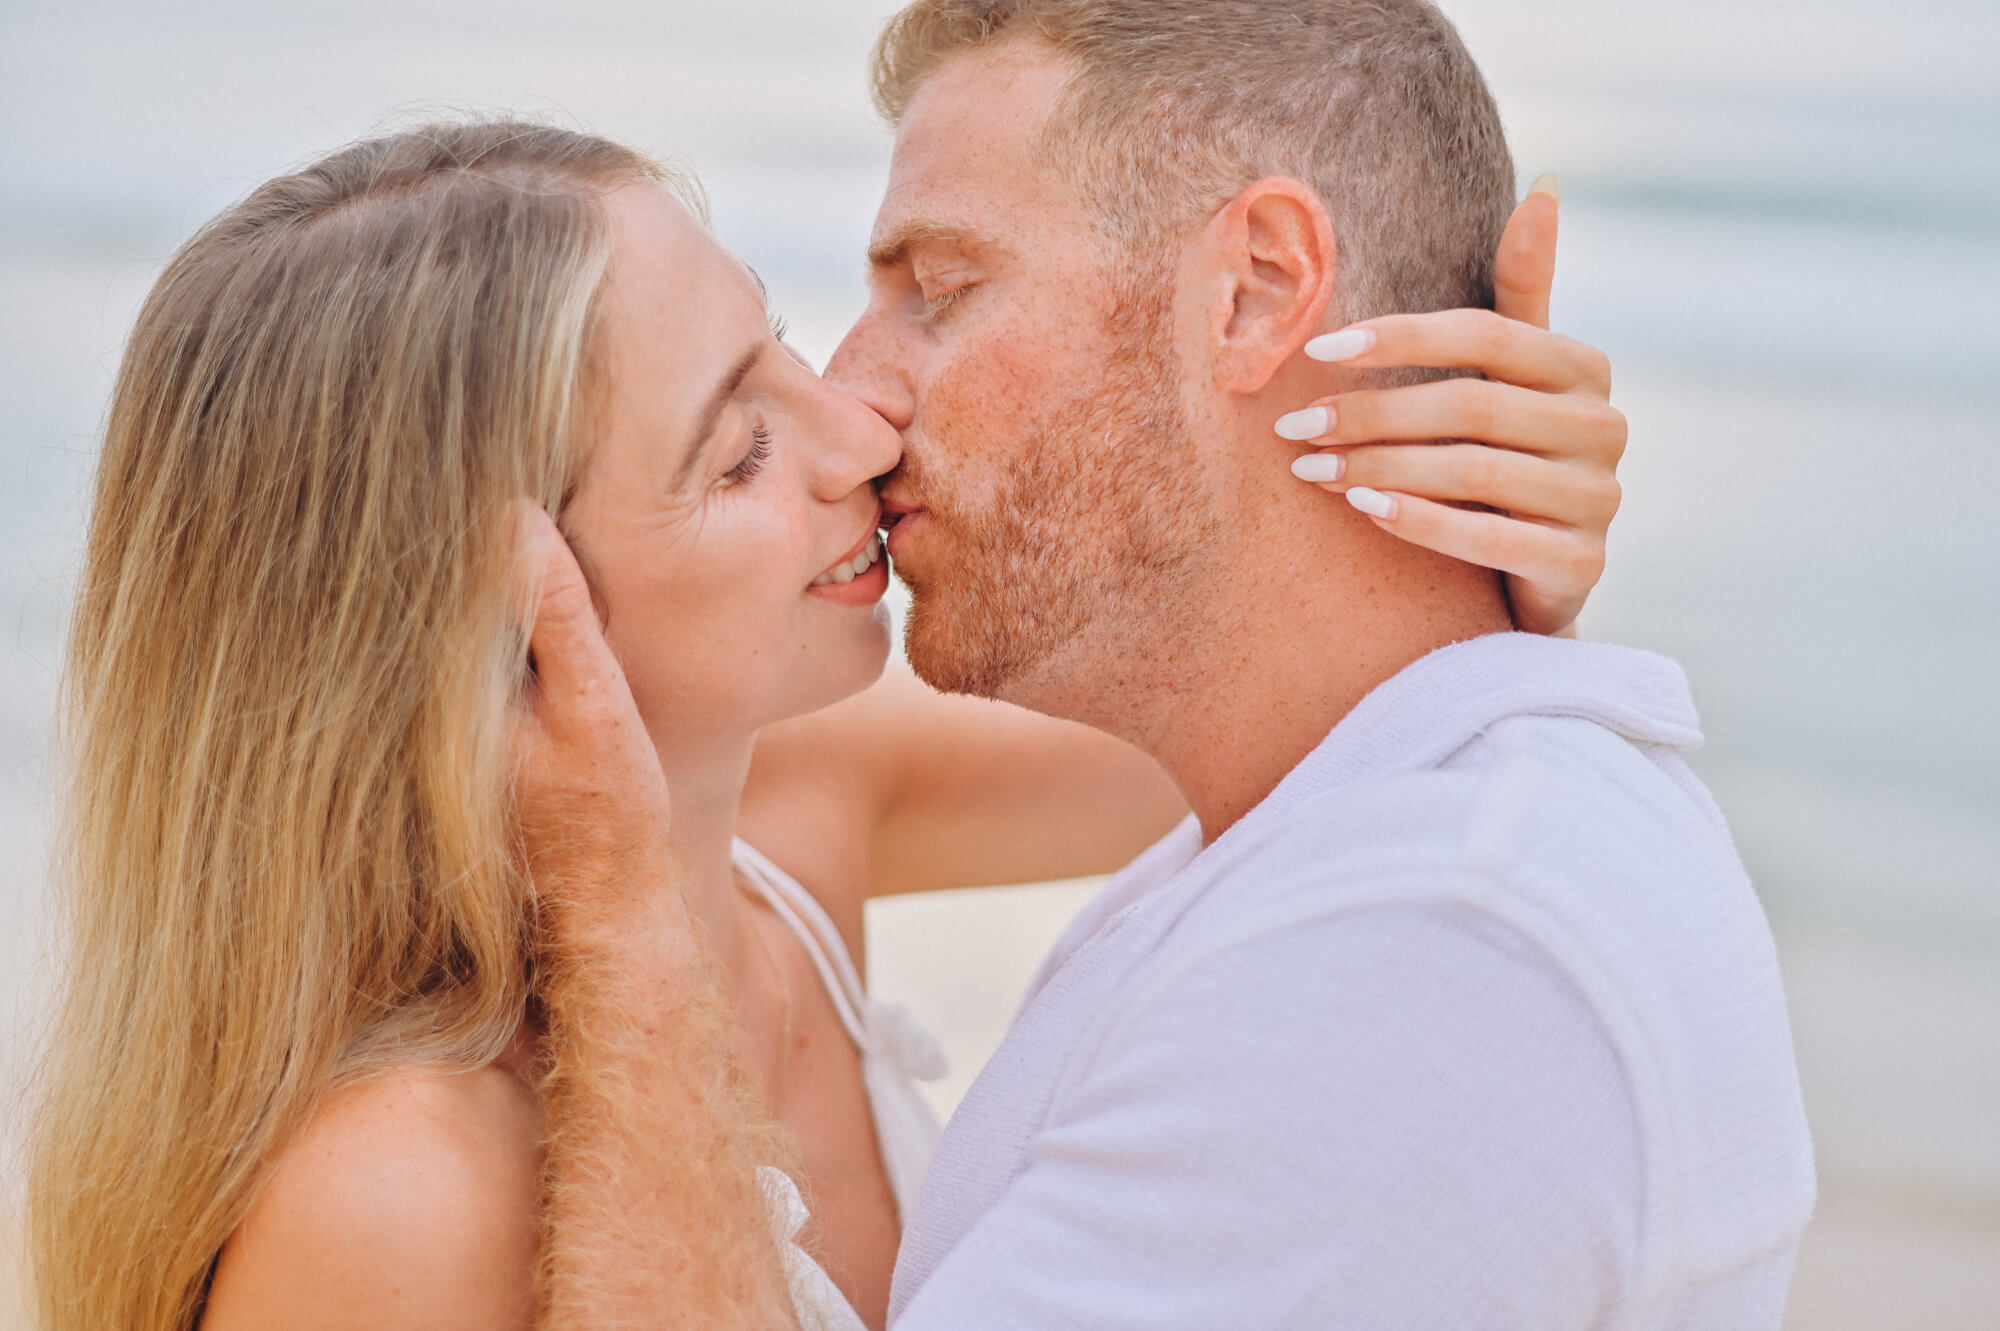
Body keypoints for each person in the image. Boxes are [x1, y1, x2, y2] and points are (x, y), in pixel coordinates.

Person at [23, 103, 1623, 1331]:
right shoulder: (400, 1203)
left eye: (777, 341)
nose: (857, 426)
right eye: (733, 455)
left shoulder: (795, 815)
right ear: (490, 642)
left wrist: (1462, 509)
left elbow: (1286, 696)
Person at [521, 1, 1817, 1328]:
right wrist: (1457, 586)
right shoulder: (1321, 833)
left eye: (942, 289)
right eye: (731, 444)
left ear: (1254, 289)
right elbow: (1287, 690)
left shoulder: (1421, 950)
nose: (856, 398)